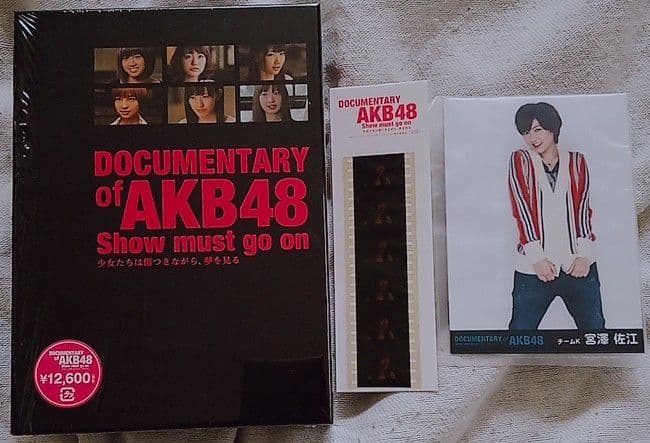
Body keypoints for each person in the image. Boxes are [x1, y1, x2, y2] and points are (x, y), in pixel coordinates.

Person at [508, 102, 605, 330]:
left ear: (552, 128)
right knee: (520, 335)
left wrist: (584, 255)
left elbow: (582, 210)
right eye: (526, 132)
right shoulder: (521, 160)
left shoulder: (577, 161)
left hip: (577, 264)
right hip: (534, 267)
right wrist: (537, 258)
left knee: (595, 332)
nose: (532, 138)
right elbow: (522, 210)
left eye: (538, 129)